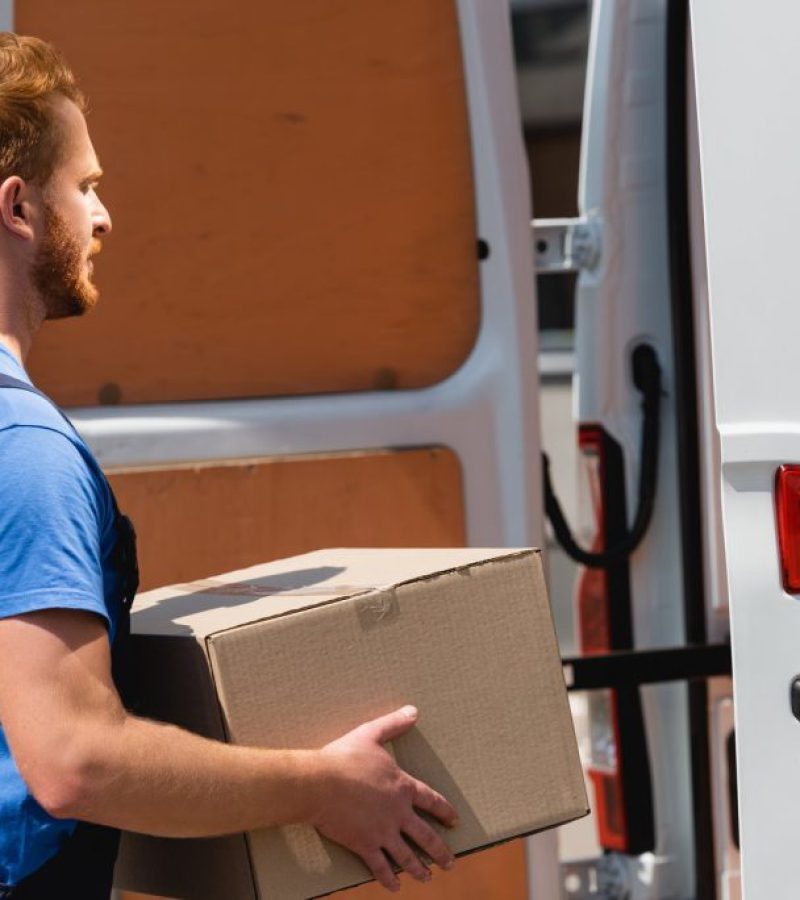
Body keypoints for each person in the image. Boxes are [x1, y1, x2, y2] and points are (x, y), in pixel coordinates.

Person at [0, 33, 457, 899]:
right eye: (86, 187)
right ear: (18, 208)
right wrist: (324, 788)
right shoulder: (26, 453)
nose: (104, 219)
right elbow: (76, 761)